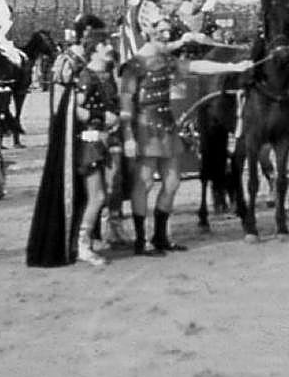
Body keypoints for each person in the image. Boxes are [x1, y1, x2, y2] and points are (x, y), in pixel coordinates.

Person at [118, 14, 252, 256]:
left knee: (172, 182)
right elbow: (126, 105)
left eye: (169, 32)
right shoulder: (134, 65)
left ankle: (160, 236)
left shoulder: (166, 61)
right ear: (149, 32)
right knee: (145, 182)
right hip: (145, 128)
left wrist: (233, 66)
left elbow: (195, 67)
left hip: (166, 126)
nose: (167, 36)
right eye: (162, 31)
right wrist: (128, 136)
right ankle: (141, 240)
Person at [28, 14, 109, 267]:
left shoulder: (81, 62)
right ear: (87, 33)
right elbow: (70, 104)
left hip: (83, 129)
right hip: (79, 131)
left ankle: (88, 238)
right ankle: (80, 243)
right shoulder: (74, 62)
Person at [72, 32, 120, 266]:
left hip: (108, 138)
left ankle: (94, 237)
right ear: (94, 49)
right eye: (105, 44)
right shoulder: (86, 76)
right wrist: (102, 116)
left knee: (108, 191)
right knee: (97, 195)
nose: (110, 47)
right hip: (91, 140)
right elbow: (78, 111)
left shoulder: (107, 74)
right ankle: (82, 245)